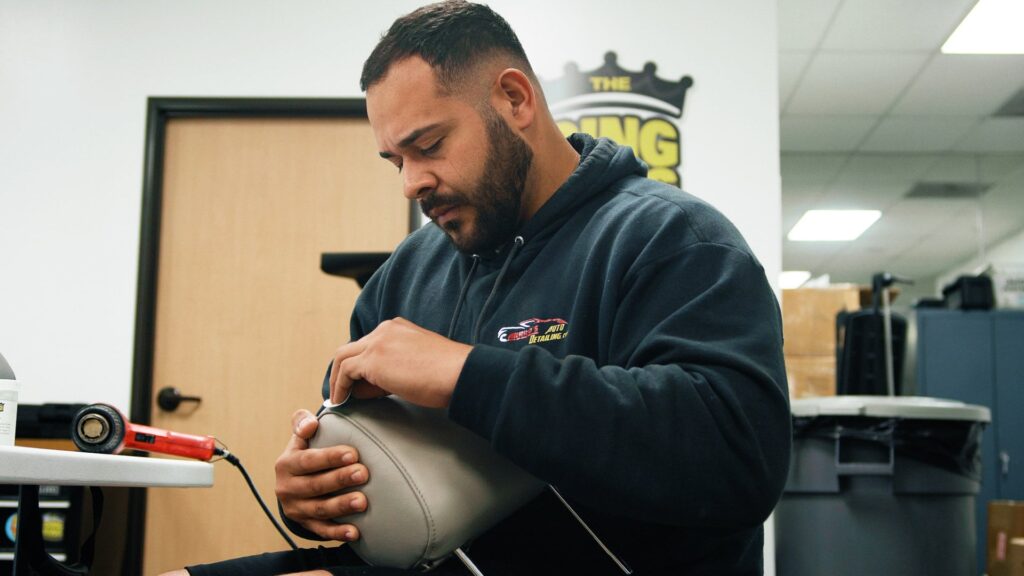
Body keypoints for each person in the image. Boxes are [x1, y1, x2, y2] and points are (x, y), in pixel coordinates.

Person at [171, 1, 790, 575]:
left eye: (429, 145)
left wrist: (467, 376)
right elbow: (376, 472)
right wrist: (318, 495)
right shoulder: (406, 275)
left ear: (515, 99)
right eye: (395, 161)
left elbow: (738, 459)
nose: (411, 183)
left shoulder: (672, 240)